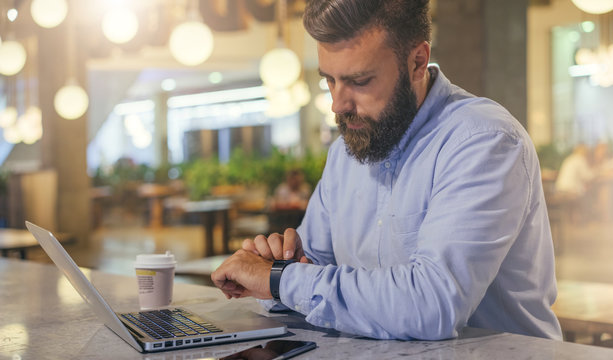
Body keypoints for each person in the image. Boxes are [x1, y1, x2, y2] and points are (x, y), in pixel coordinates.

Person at [212, 0, 562, 341]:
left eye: (360, 81)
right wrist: (276, 265)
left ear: (417, 61)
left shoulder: (483, 140)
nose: (338, 104)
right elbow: (309, 268)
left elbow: (432, 306)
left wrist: (280, 281)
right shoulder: (344, 155)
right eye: (329, 80)